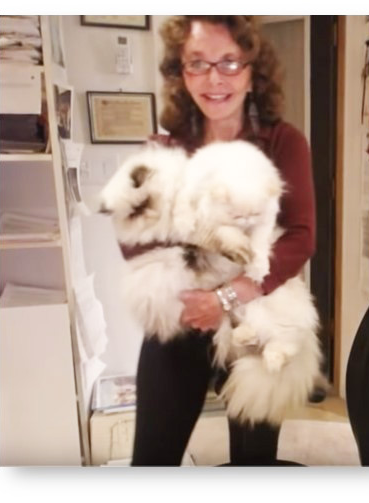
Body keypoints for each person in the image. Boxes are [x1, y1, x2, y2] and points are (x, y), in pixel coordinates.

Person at [128, 15, 316, 466]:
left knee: (254, 465)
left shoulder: (284, 142)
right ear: (182, 74)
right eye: (198, 63)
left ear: (253, 71)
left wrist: (228, 297)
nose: (215, 78)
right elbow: (133, 241)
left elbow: (302, 237)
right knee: (151, 461)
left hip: (257, 314)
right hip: (183, 317)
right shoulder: (165, 148)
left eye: (230, 62)